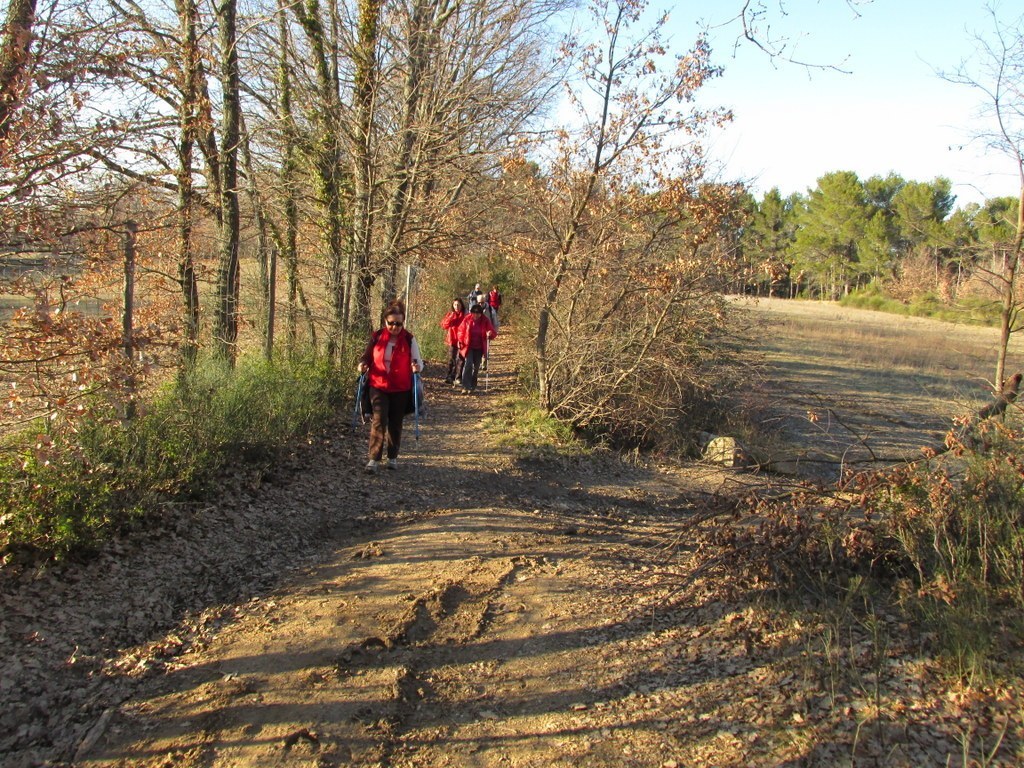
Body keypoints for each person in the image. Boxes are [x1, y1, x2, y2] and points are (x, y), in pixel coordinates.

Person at [358, 300, 424, 473]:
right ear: (385, 321)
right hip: (378, 385)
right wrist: (363, 364)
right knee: (379, 419)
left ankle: (392, 456)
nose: (395, 327)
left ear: (403, 323)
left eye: (399, 324)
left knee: (396, 423)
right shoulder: (377, 336)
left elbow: (418, 362)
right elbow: (366, 357)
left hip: (401, 388)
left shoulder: (409, 339)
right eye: (391, 323)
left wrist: (416, 367)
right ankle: (373, 460)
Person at [457, 301, 496, 394]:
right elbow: (460, 331)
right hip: (468, 346)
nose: (475, 315)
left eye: (477, 313)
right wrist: (460, 340)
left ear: (480, 313)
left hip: (479, 347)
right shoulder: (467, 319)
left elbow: (493, 332)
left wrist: (489, 333)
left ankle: (472, 385)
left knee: (476, 367)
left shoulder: (485, 320)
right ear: (471, 312)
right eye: (474, 313)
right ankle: (465, 386)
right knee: (468, 364)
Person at [440, 297, 466, 385]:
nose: (456, 306)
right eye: (455, 305)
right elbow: (444, 325)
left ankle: (458, 377)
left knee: (460, 359)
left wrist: (462, 340)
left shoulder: (465, 316)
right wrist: (451, 317)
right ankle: (449, 376)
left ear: (462, 305)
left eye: (458, 305)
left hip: (462, 340)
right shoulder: (450, 314)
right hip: (452, 340)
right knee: (451, 359)